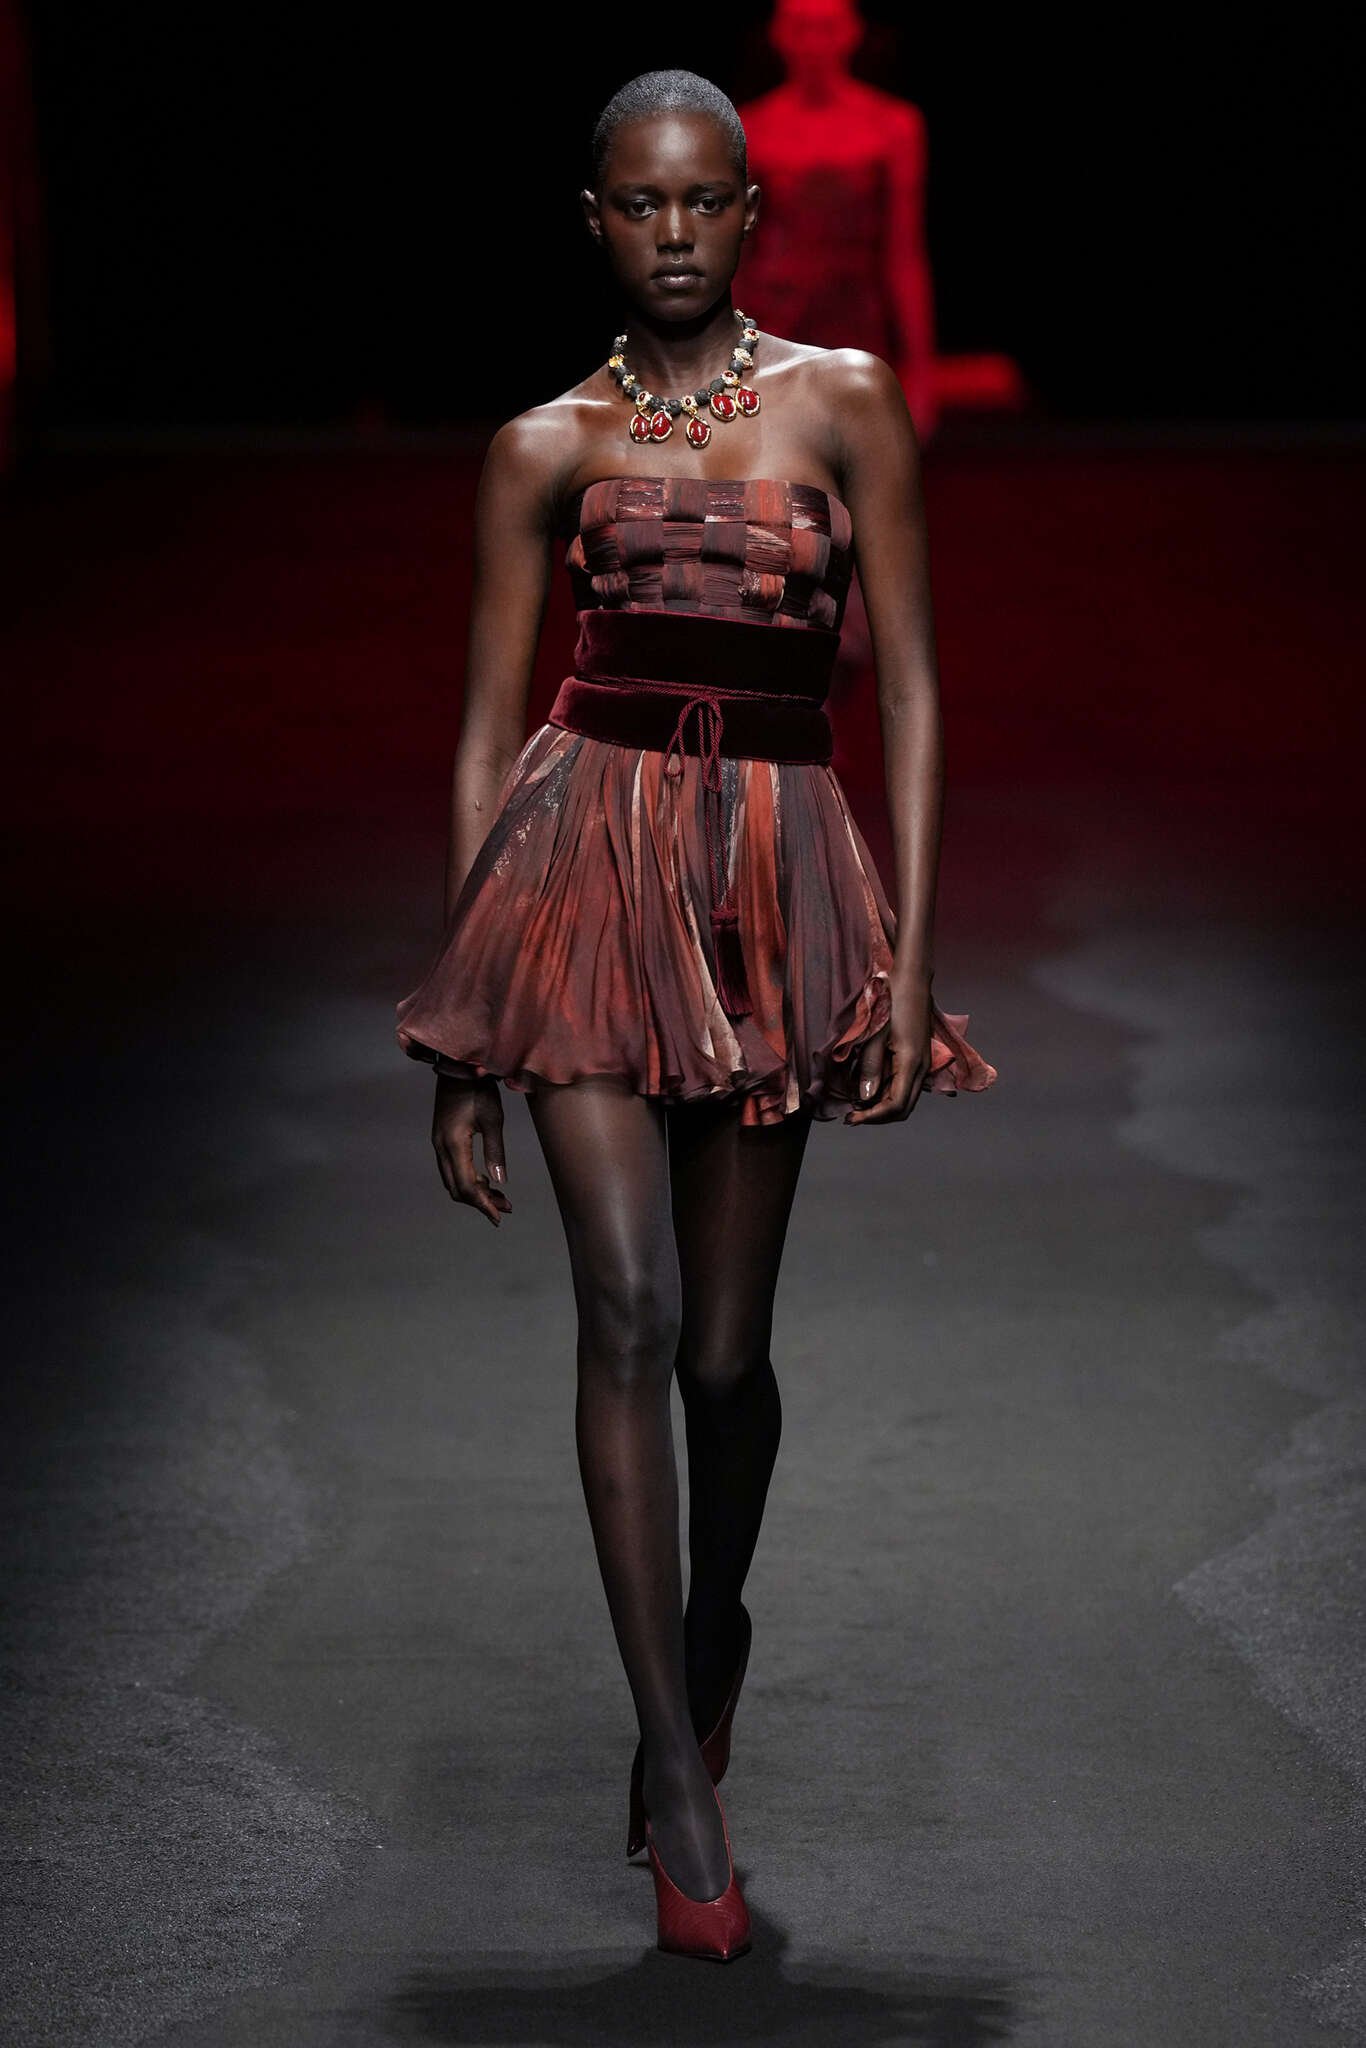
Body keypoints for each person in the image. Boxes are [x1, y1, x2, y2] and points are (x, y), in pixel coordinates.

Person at [394, 68, 996, 1963]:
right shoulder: (539, 446)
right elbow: (486, 735)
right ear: (593, 220)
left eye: (701, 201)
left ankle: (705, 1636)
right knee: (630, 1311)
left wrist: (906, 959)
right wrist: (467, 1021)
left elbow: (911, 687)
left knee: (726, 1358)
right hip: (579, 875)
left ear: (749, 213)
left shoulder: (846, 402)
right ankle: (674, 1772)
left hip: (773, 883)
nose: (671, 232)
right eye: (637, 203)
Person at [736, 0, 939, 442]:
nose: (814, 44)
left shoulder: (894, 125)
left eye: (827, 28)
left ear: (852, 32)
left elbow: (904, 254)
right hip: (776, 326)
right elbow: (736, 259)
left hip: (858, 322)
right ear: (778, 35)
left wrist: (921, 372)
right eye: (801, 28)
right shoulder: (751, 128)